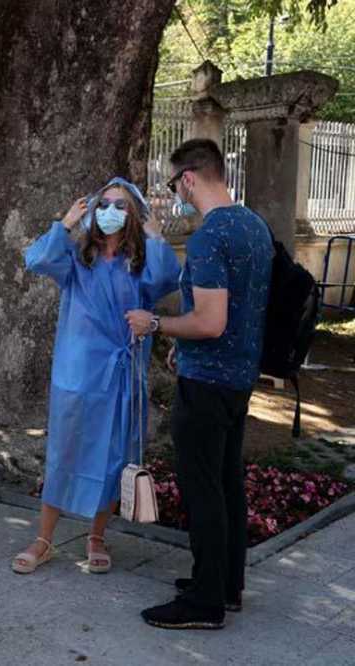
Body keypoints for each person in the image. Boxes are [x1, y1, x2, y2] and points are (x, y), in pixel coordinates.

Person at [130, 139, 272, 630]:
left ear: (189, 177)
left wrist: (157, 325)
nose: (175, 193)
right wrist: (183, 342)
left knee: (203, 489)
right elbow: (233, 315)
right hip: (238, 378)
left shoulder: (211, 235)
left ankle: (205, 603)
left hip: (208, 382)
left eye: (173, 184)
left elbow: (209, 320)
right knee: (228, 483)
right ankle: (226, 584)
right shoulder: (253, 226)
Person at [14, 177, 180, 575]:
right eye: (104, 203)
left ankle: (96, 536)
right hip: (77, 373)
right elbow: (36, 259)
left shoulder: (138, 262)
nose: (111, 212)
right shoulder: (75, 258)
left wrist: (155, 235)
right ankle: (44, 538)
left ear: (134, 214)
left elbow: (167, 279)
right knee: (64, 451)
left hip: (122, 375)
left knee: (112, 457)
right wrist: (66, 222)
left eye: (121, 206)